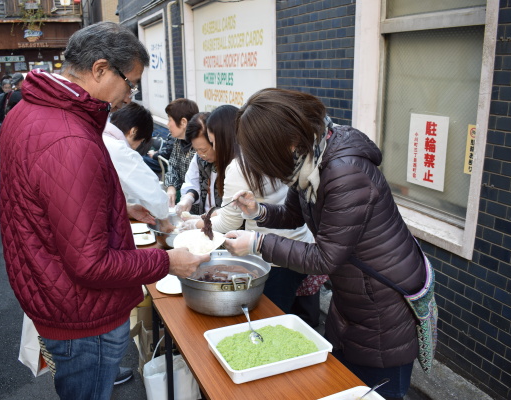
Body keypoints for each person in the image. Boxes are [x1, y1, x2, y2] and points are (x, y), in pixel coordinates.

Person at [0, 22, 208, 399]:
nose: (129, 97)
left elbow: (44, 205)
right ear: (99, 69)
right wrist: (167, 262)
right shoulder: (70, 136)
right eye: (130, 83)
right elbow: (91, 265)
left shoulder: (27, 111)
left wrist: (118, 208)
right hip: (82, 314)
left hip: (51, 291)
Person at [224, 88, 427, 400]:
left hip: (384, 305)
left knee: (377, 391)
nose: (262, 163)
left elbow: (324, 258)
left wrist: (257, 242)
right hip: (354, 298)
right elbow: (294, 214)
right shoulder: (308, 162)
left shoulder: (344, 172)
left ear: (286, 140)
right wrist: (257, 211)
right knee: (346, 385)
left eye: (262, 153)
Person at [179, 105, 323, 321]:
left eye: (213, 140)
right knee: (291, 312)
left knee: (270, 319)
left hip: (274, 253)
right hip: (298, 244)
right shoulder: (267, 153)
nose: (213, 147)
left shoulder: (239, 167)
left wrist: (192, 226)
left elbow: (227, 223)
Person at [103, 102, 168, 223]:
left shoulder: (98, 135)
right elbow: (153, 193)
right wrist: (165, 219)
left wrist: (126, 208)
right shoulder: (120, 150)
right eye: (141, 141)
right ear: (133, 131)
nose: (138, 146)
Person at [175, 112, 221, 215]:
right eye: (196, 150)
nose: (200, 155)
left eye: (204, 150)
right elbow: (192, 181)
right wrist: (188, 198)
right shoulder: (198, 158)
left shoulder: (232, 164)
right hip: (204, 220)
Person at [161, 98, 199, 207]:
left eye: (169, 120)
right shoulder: (178, 141)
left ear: (183, 122)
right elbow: (172, 165)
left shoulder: (199, 147)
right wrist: (171, 186)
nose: (167, 125)